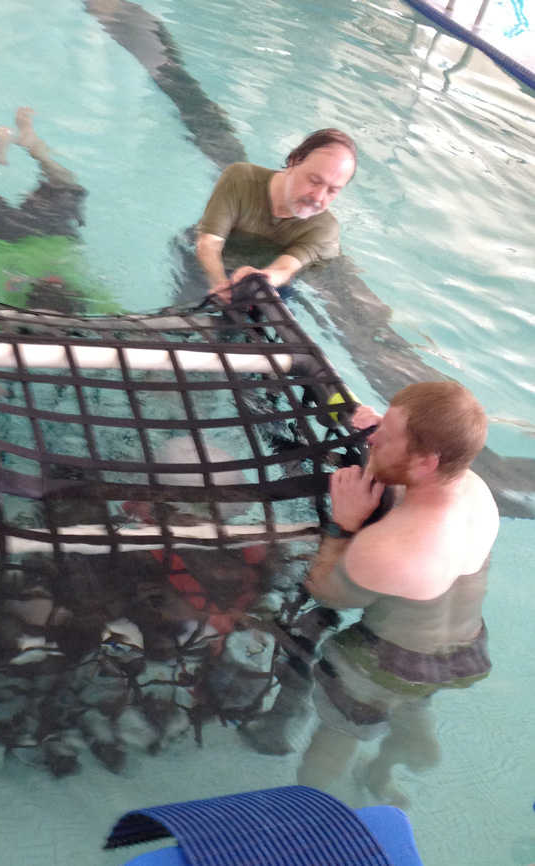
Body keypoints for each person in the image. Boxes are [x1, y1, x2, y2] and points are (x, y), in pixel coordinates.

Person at [296, 381, 498, 804]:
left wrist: (343, 525)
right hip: (463, 654)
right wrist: (389, 434)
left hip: (380, 666)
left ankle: (313, 812)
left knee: (338, 734)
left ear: (424, 461)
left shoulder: (390, 548)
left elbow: (325, 592)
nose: (371, 439)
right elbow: (419, 481)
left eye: (383, 437)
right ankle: (396, 759)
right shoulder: (476, 492)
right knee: (409, 696)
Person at [0, 107, 119, 315]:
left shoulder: (93, 296)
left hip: (39, 236)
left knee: (65, 183)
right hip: (5, 238)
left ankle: (30, 152)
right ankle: (17, 152)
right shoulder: (4, 302)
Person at [195, 129, 357, 301]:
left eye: (332, 191)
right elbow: (209, 242)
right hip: (216, 260)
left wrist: (262, 278)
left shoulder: (324, 228)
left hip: (277, 280)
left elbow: (286, 269)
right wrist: (219, 283)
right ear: (294, 161)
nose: (318, 197)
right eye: (314, 181)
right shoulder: (240, 180)